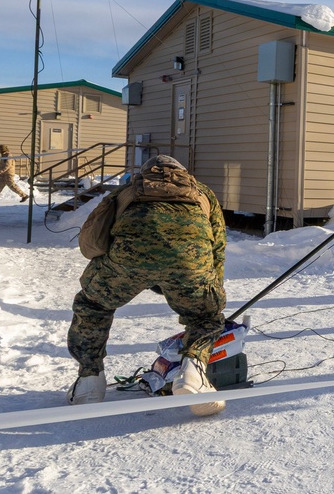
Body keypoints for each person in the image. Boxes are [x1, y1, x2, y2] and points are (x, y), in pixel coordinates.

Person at [66, 155, 228, 415]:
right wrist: (211, 291)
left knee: (92, 305)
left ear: (145, 173)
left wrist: (104, 273)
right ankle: (193, 374)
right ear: (183, 173)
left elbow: (93, 238)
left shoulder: (126, 190)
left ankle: (89, 382)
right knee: (205, 317)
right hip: (190, 263)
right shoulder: (203, 192)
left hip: (128, 260)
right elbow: (218, 245)